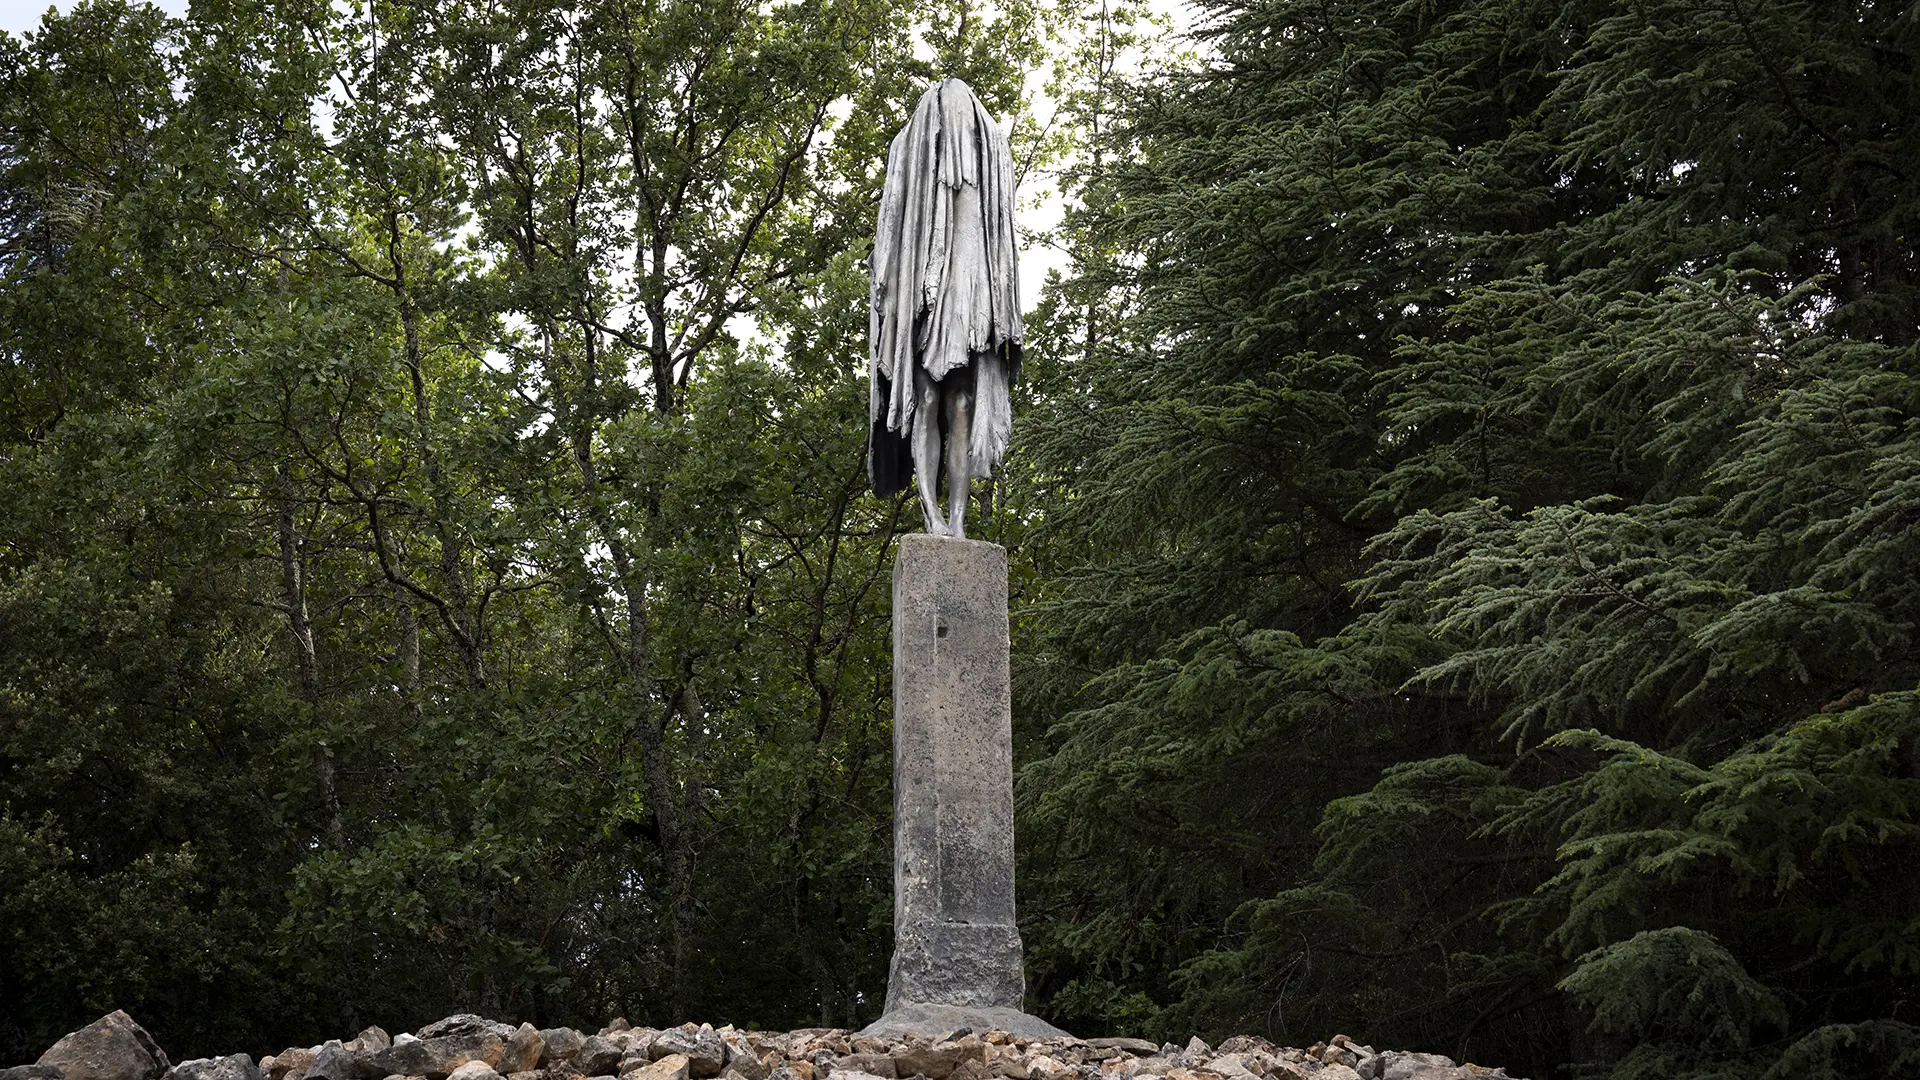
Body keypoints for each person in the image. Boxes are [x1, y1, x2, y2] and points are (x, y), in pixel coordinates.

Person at [868, 79, 1023, 538]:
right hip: (926, 304)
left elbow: (1003, 248)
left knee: (961, 405)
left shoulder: (989, 161)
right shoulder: (914, 156)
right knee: (928, 399)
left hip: (969, 305)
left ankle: (957, 520)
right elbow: (891, 228)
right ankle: (931, 513)